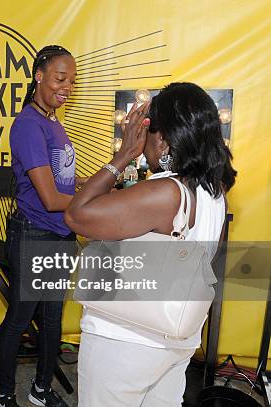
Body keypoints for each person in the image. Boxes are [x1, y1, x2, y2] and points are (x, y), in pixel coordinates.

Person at [64, 82, 237, 406]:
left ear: (163, 138)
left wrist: (123, 155)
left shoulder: (166, 192)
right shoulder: (215, 193)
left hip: (126, 341)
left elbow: (76, 215)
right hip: (176, 338)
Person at [0, 45, 81, 407]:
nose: (67, 87)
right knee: (19, 321)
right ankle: (5, 396)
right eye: (61, 78)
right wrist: (94, 205)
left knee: (52, 320)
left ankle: (41, 391)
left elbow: (66, 181)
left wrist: (101, 183)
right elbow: (49, 198)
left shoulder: (53, 121)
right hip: (34, 235)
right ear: (38, 76)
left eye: (72, 81)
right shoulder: (29, 124)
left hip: (60, 235)